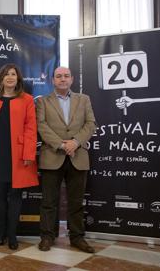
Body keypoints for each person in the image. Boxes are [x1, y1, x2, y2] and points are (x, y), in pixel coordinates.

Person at [36, 66, 97, 253]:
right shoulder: (42, 102)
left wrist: (76, 142)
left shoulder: (84, 99)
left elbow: (90, 123)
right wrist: (62, 145)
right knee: (48, 202)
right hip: (52, 155)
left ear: (71, 79)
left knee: (76, 202)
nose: (63, 79)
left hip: (78, 156)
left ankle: (77, 238)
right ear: (53, 80)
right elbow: (41, 125)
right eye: (59, 76)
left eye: (66, 76)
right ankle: (47, 236)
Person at [0, 63, 38, 250]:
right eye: (6, 74)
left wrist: (29, 153)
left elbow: (31, 128)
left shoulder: (27, 99)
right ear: (1, 79)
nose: (10, 77)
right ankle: (1, 233)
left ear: (18, 79)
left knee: (15, 195)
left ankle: (12, 235)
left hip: (18, 155)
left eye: (13, 74)